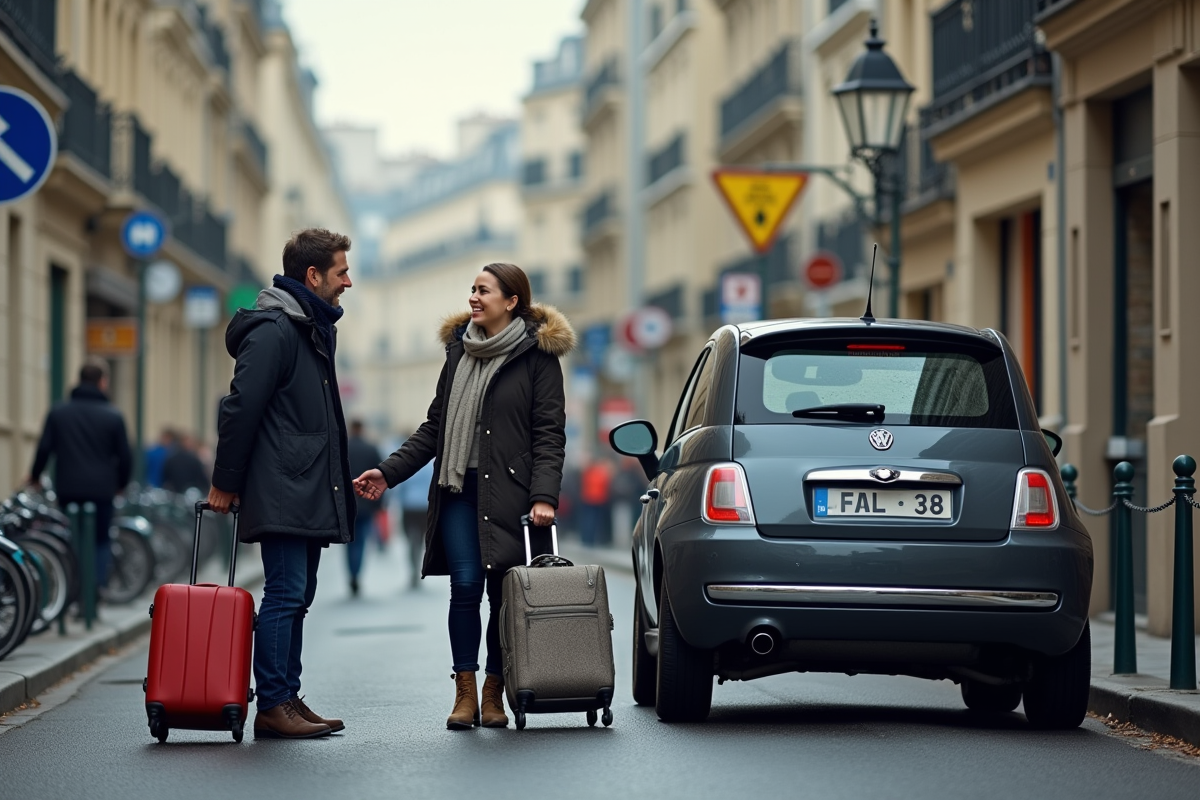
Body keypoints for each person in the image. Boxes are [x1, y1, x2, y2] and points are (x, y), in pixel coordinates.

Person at [354, 262, 574, 730]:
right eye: (472, 290)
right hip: (458, 490)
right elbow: (435, 427)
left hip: (512, 497)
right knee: (466, 586)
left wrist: (544, 497)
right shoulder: (458, 353)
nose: (474, 298)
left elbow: (549, 434)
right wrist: (388, 474)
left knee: (502, 593)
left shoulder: (537, 357)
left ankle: (494, 693)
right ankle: (465, 692)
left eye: (484, 291)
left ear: (511, 301)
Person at [206, 228, 355, 740]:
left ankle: (287, 695)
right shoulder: (275, 327)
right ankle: (271, 703)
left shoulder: (305, 324)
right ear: (312, 276)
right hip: (284, 483)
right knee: (286, 592)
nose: (348, 282)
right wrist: (225, 482)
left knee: (300, 592)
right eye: (341, 272)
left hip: (303, 482)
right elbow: (240, 408)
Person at [27, 358, 132, 589]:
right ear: (102, 383)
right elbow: (125, 456)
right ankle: (95, 591)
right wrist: (121, 484)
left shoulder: (59, 412)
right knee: (101, 540)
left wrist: (35, 477)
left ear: (79, 381)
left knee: (71, 538)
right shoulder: (113, 415)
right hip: (102, 490)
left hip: (68, 487)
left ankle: (73, 589)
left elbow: (44, 449)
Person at [345, 420, 382, 597]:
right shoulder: (371, 448)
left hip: (346, 505)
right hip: (366, 502)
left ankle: (351, 573)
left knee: (349, 543)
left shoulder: (343, 447)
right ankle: (357, 574)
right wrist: (379, 504)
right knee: (361, 542)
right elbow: (381, 474)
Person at [397, 446, 434, 590]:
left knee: (412, 540)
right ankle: (419, 566)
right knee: (421, 540)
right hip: (425, 507)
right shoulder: (430, 465)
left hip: (409, 506)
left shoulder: (408, 465)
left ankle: (414, 568)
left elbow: (400, 486)